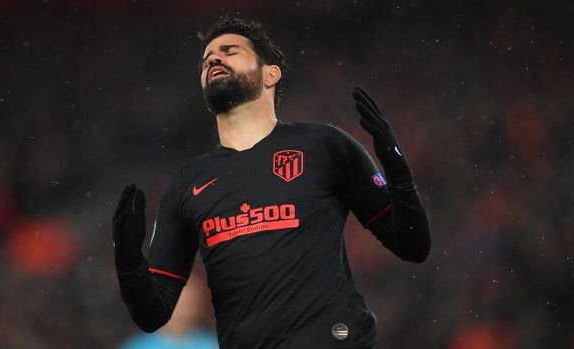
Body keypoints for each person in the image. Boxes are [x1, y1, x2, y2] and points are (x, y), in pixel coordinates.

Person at [112, 17, 431, 349]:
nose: (214, 59)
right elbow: (153, 315)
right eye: (207, 59)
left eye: (229, 50)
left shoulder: (324, 146)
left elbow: (413, 245)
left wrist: (397, 170)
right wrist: (129, 260)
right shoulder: (187, 184)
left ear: (270, 74)